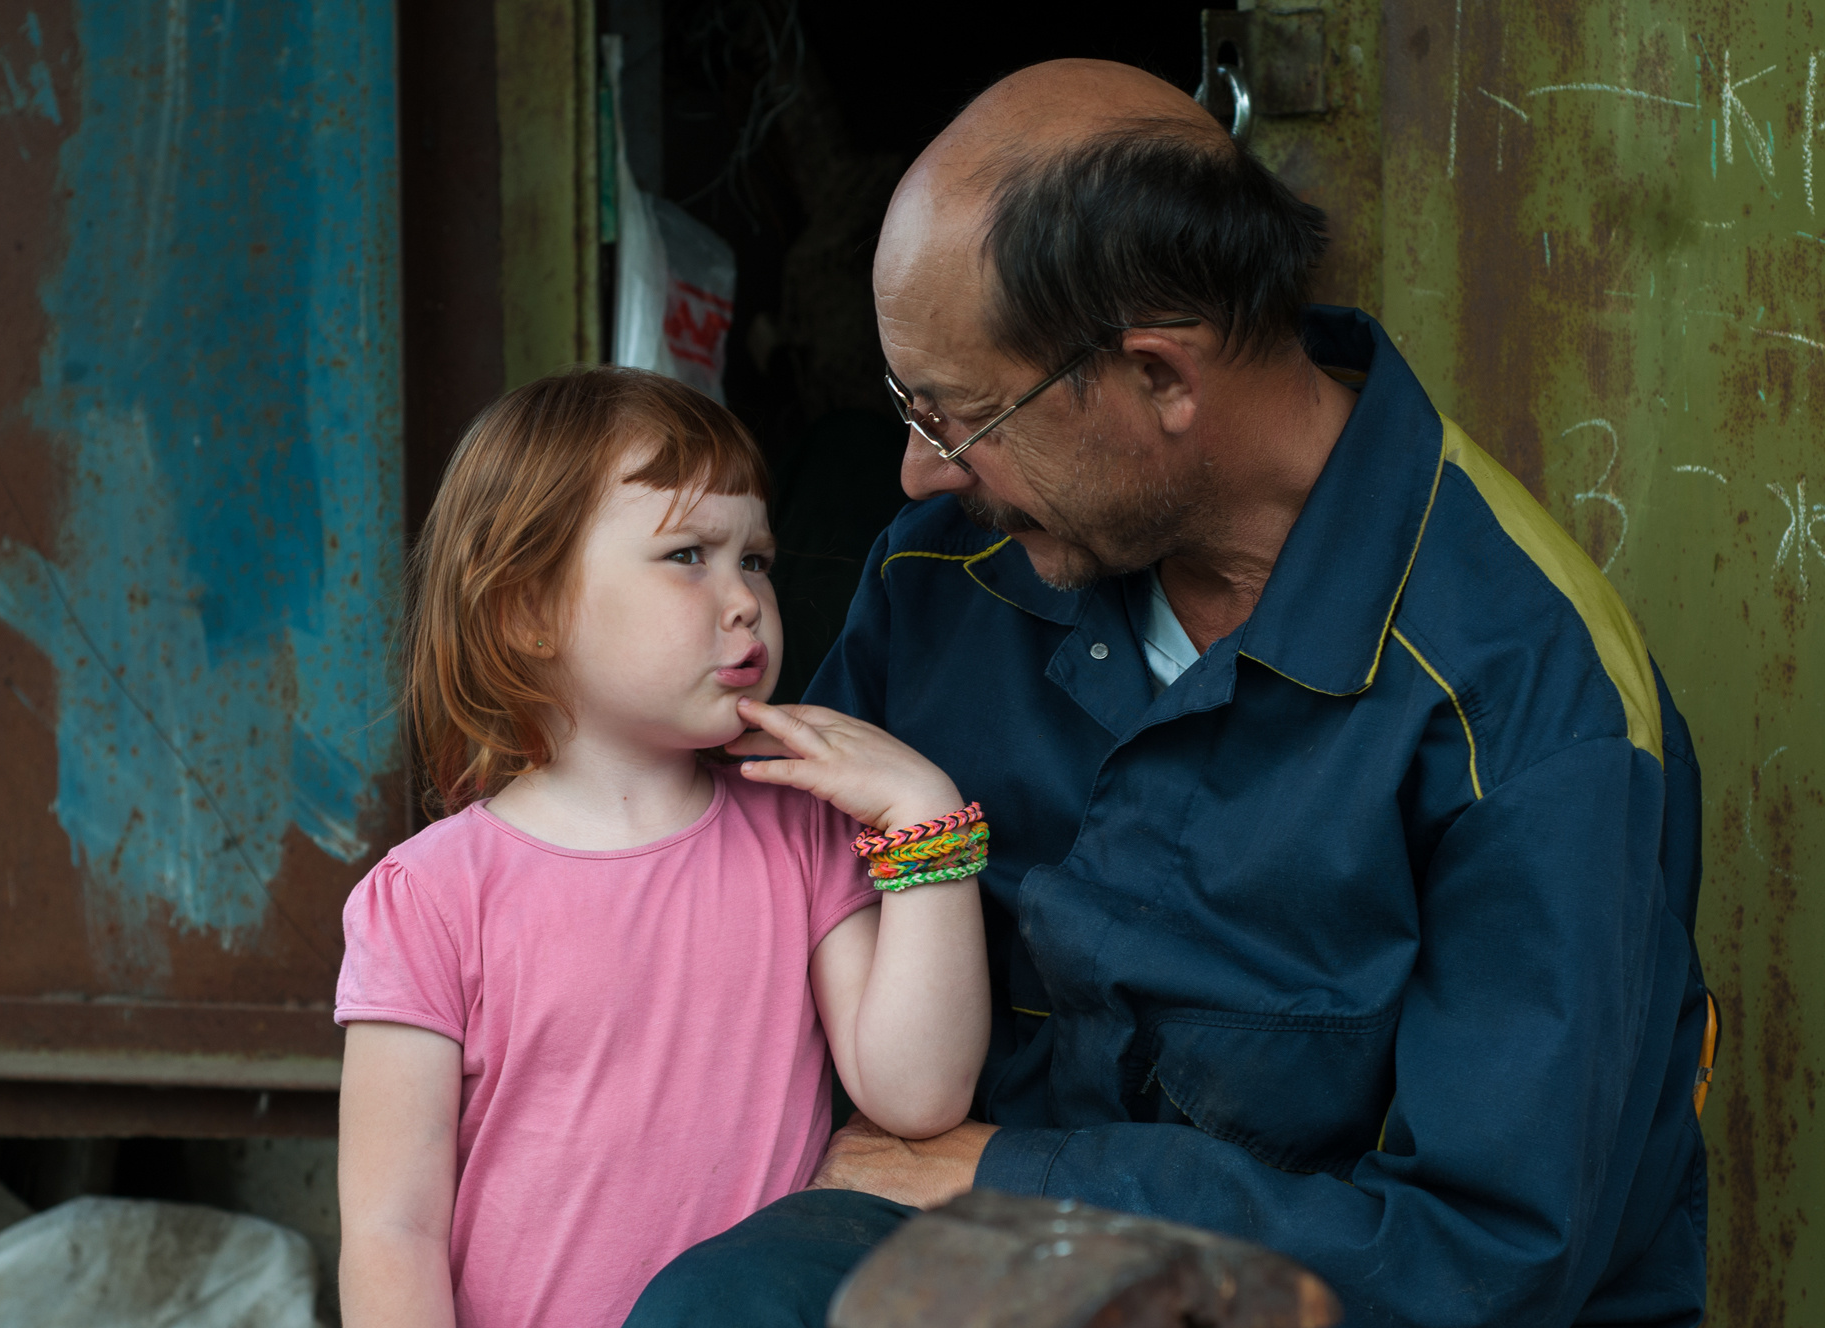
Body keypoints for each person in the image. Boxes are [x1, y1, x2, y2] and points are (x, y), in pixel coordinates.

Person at [626, 59, 1710, 1328]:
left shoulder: (1526, 702)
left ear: (1162, 380)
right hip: (948, 1234)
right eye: (905, 408)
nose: (919, 472)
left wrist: (1015, 1174)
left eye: (958, 416)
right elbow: (754, 921)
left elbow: (1479, 1254)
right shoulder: (945, 573)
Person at [334, 367, 991, 1328]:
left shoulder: (801, 834)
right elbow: (392, 1230)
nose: (743, 602)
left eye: (755, 560)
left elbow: (919, 1092)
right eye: (688, 555)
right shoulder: (431, 897)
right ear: (527, 610)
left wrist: (921, 810)